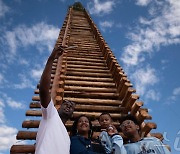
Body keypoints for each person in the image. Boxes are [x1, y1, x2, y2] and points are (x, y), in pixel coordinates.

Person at [35, 45, 75, 154]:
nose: (68, 107)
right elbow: (43, 90)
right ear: (59, 107)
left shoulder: (67, 138)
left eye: (71, 107)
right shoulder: (51, 115)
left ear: (72, 114)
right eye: (66, 104)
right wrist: (51, 59)